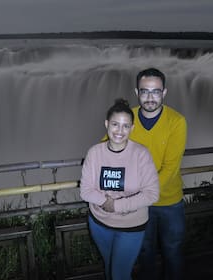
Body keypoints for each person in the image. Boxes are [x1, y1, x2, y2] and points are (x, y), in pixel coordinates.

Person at [80, 98, 160, 280]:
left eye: (125, 126)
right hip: (100, 223)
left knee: (119, 275)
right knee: (109, 269)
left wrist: (116, 206)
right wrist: (105, 203)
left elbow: (152, 194)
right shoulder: (95, 153)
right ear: (107, 124)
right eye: (115, 124)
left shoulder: (141, 154)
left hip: (131, 225)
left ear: (132, 128)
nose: (120, 131)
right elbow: (85, 190)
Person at [132, 68, 187, 280]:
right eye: (145, 92)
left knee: (172, 252)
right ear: (136, 91)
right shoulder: (129, 118)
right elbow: (108, 143)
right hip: (140, 203)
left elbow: (170, 168)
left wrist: (139, 195)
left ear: (164, 93)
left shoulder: (177, 122)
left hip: (169, 202)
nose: (150, 98)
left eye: (155, 92)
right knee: (145, 253)